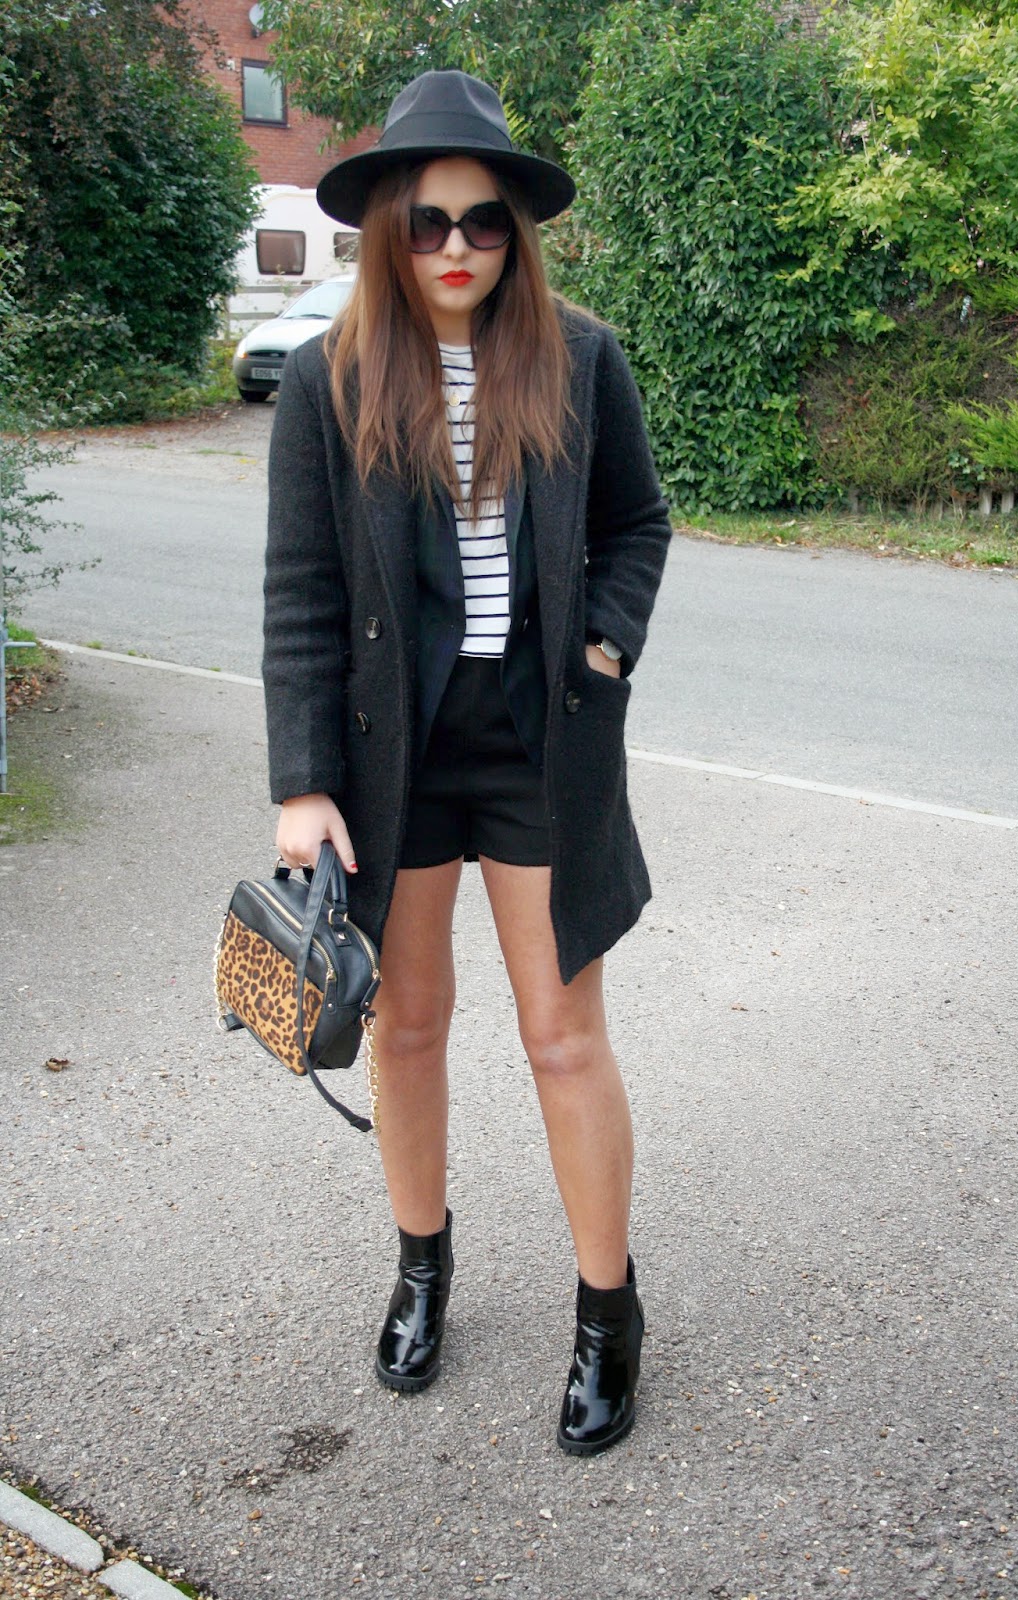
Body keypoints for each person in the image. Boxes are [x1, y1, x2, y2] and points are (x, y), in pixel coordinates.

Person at [262, 70, 670, 1456]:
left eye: (484, 221)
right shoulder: (326, 380)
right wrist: (302, 779)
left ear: (516, 233)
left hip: (539, 737)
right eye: (428, 220)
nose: (456, 246)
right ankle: (420, 1265)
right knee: (407, 1025)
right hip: (394, 752)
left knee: (563, 1037)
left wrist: (603, 647)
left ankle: (606, 1313)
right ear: (388, 227)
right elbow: (302, 589)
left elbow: (637, 525)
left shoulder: (581, 358)